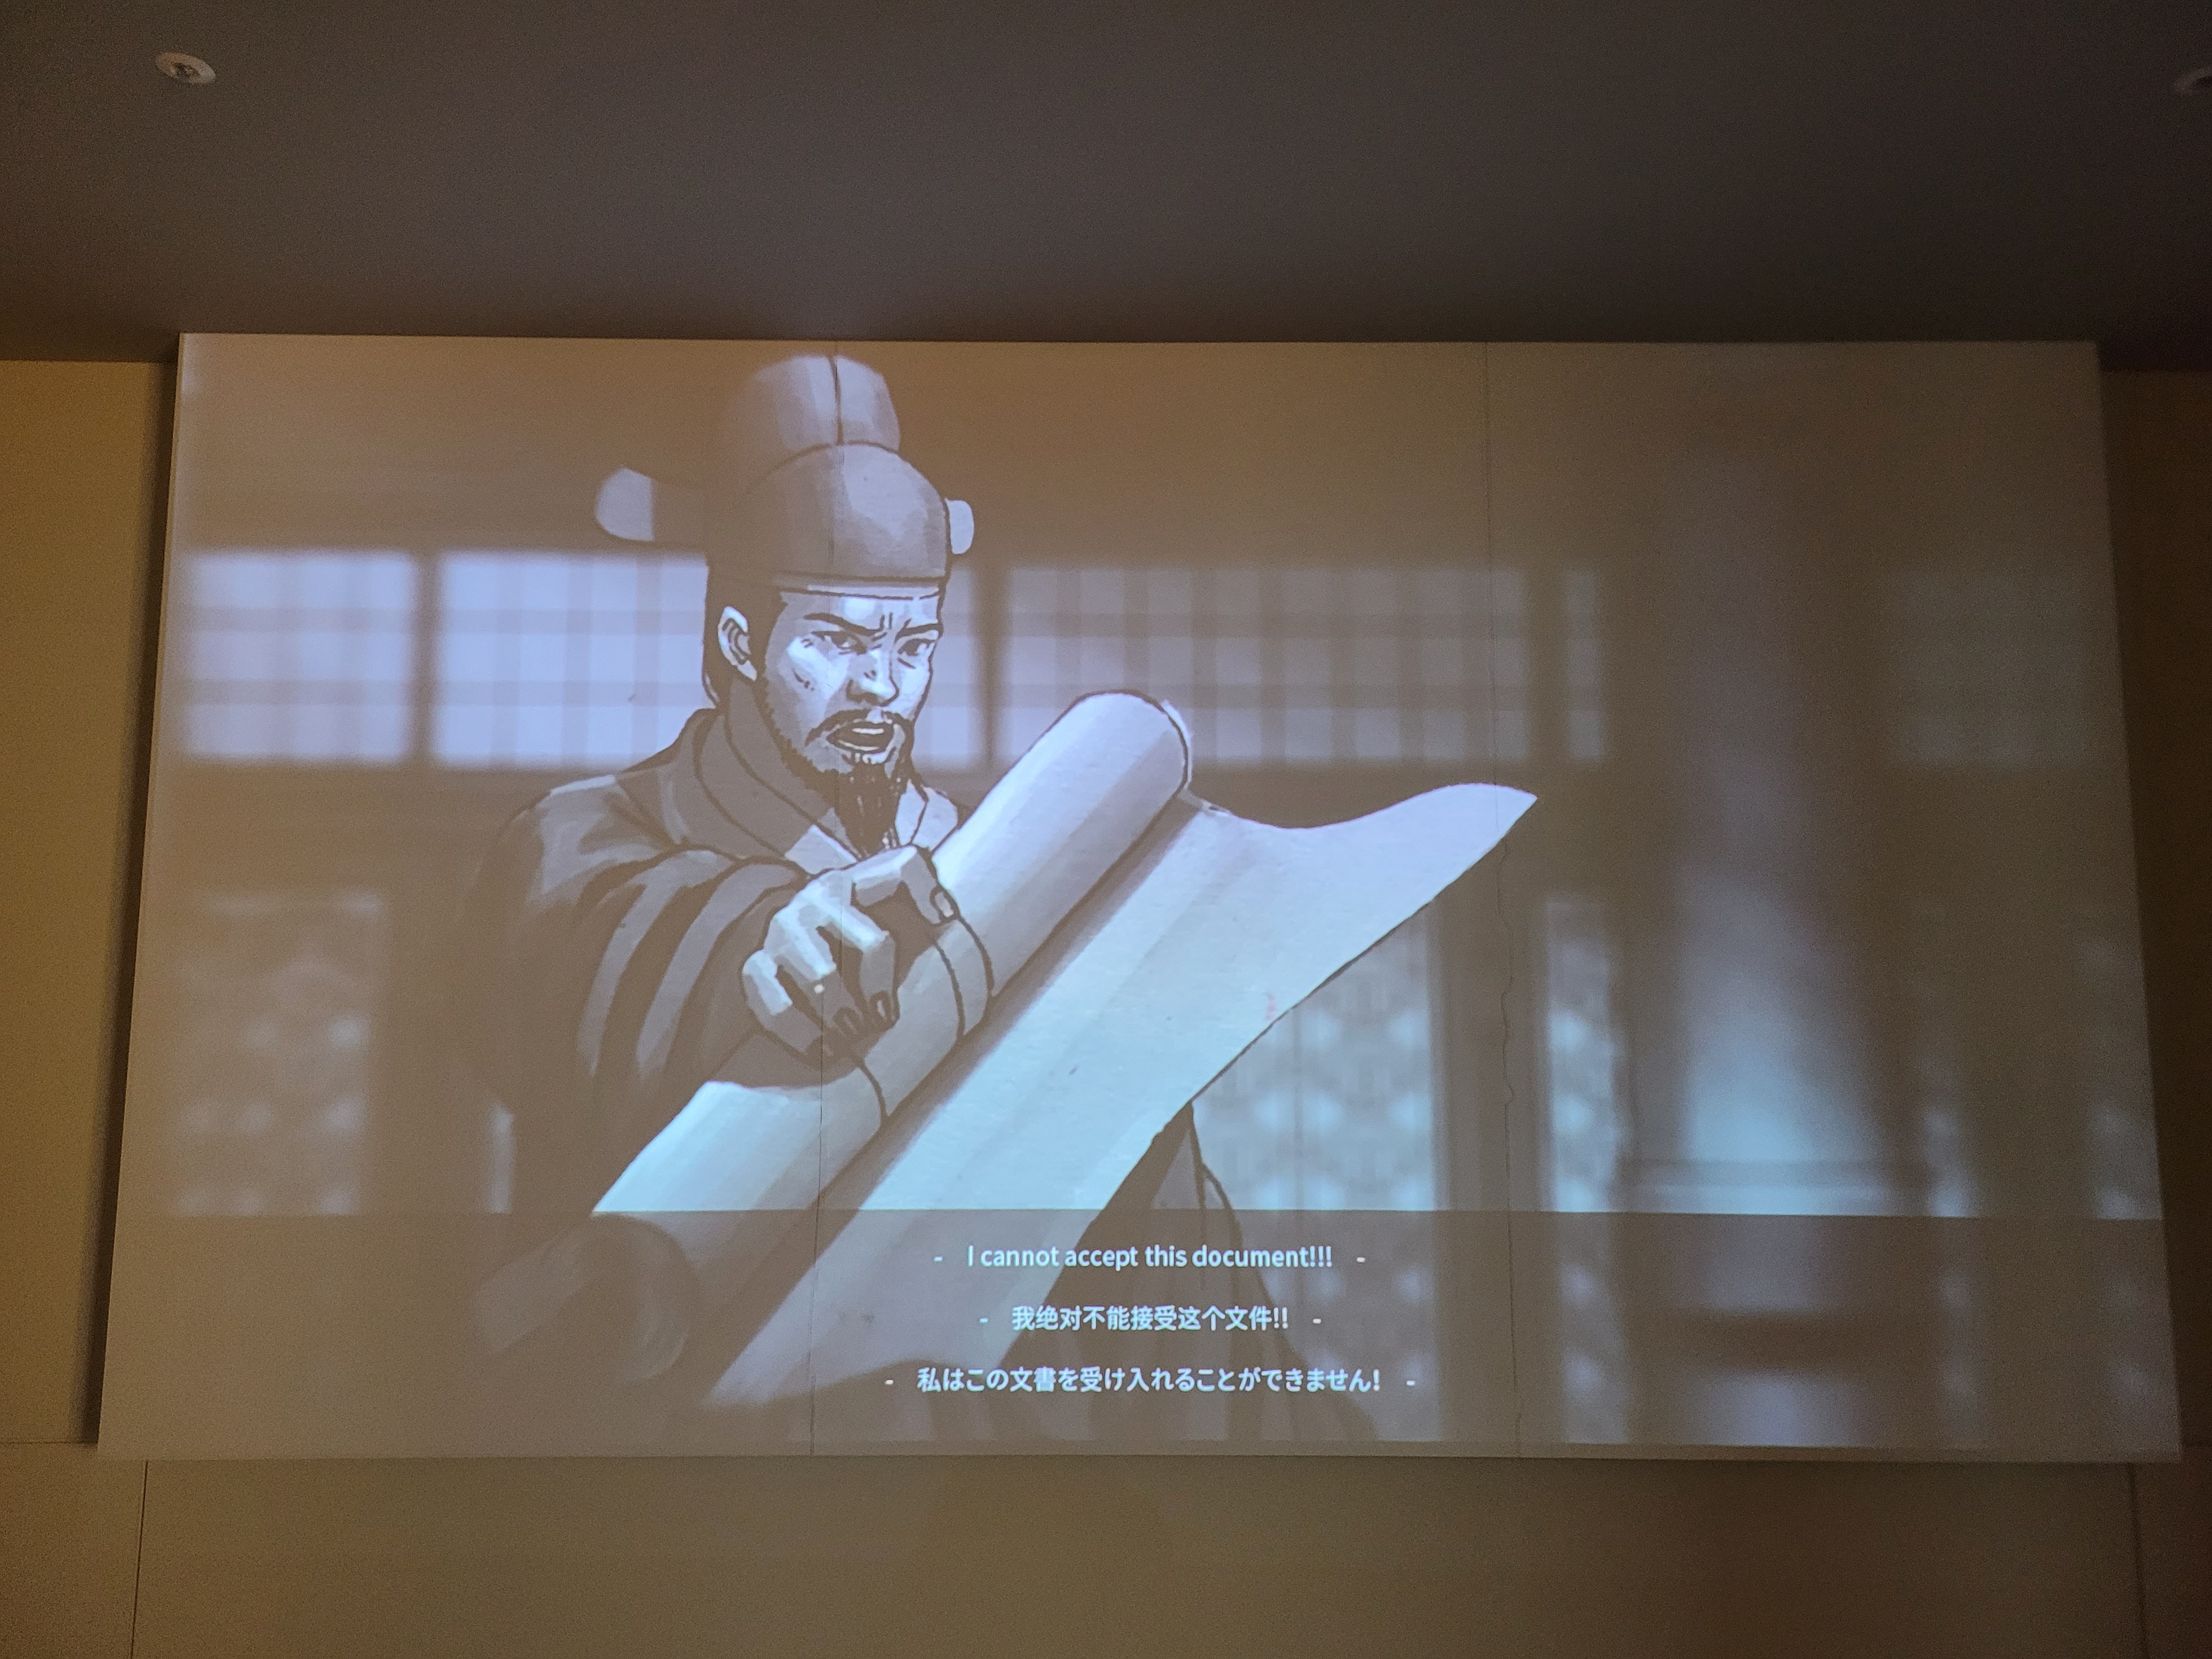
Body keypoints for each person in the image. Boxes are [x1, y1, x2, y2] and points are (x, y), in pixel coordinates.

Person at [456, 352, 1359, 1441]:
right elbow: (586, 937)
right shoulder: (591, 838)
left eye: (912, 644)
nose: (881, 688)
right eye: (836, 642)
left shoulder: (983, 869)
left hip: (962, 1472)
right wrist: (759, 937)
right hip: (675, 1465)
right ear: (741, 642)